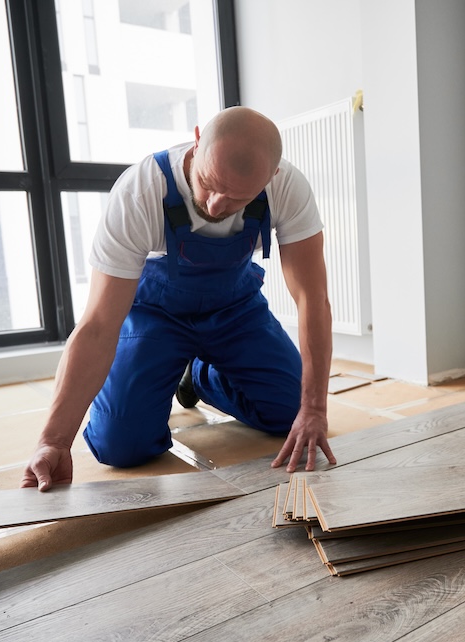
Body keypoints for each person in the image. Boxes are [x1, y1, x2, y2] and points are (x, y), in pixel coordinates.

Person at [21, 106, 336, 492]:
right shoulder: (141, 191)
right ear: (197, 138)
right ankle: (167, 366)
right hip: (157, 316)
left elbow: (312, 300)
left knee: (293, 414)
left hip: (235, 311)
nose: (217, 205)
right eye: (208, 183)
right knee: (121, 444)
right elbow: (98, 324)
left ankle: (201, 375)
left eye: (238, 198)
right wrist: (53, 440)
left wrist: (315, 410)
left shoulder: (288, 188)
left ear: (272, 177)